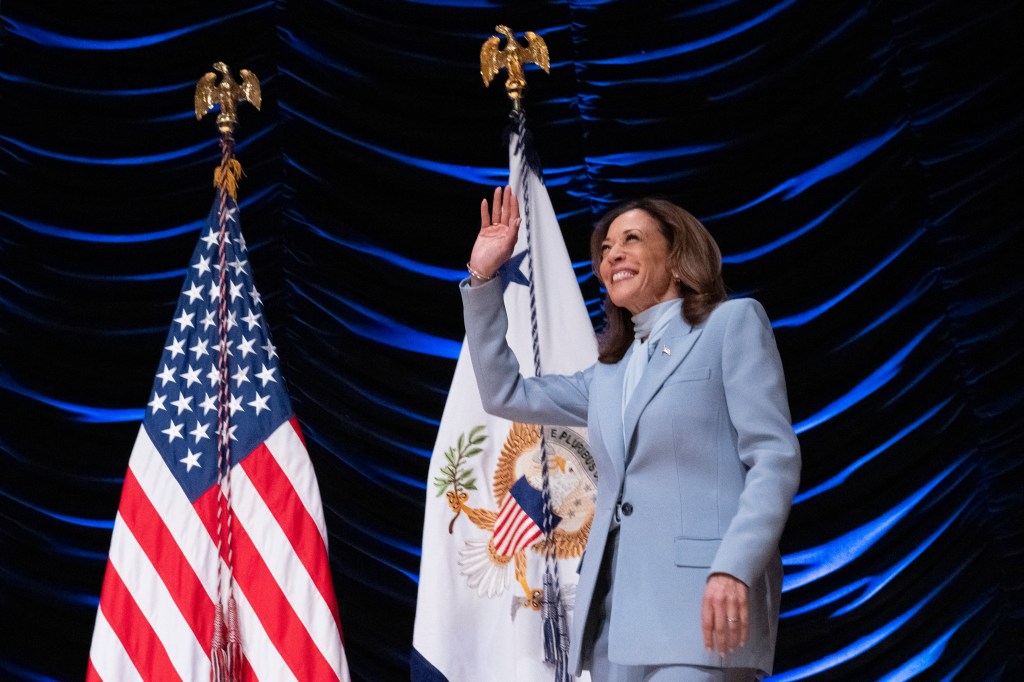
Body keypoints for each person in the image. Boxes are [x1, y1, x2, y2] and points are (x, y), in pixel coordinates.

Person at [462, 186, 801, 682]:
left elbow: (773, 458)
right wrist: (482, 278)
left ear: (678, 256)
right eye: (604, 249)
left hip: (700, 609)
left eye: (632, 239)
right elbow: (504, 392)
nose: (612, 254)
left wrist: (735, 565)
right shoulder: (608, 374)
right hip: (613, 625)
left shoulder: (731, 325)